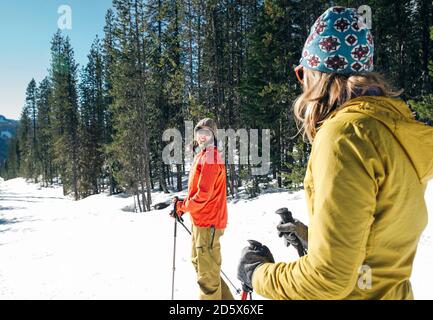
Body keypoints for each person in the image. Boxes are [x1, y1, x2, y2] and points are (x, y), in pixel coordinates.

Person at [237, 6, 433, 299]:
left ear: (317, 74)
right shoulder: (393, 132)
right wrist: (314, 236)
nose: (301, 85)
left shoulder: (344, 136)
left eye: (302, 74)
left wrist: (258, 274)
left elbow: (329, 279)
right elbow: (376, 246)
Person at [172, 118, 234, 300]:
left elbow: (204, 195)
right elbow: (198, 193)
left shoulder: (211, 157)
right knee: (204, 268)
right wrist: (182, 207)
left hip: (209, 223)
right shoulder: (202, 156)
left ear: (213, 135)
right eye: (199, 132)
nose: (202, 136)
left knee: (207, 277)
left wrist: (184, 206)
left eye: (207, 132)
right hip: (201, 221)